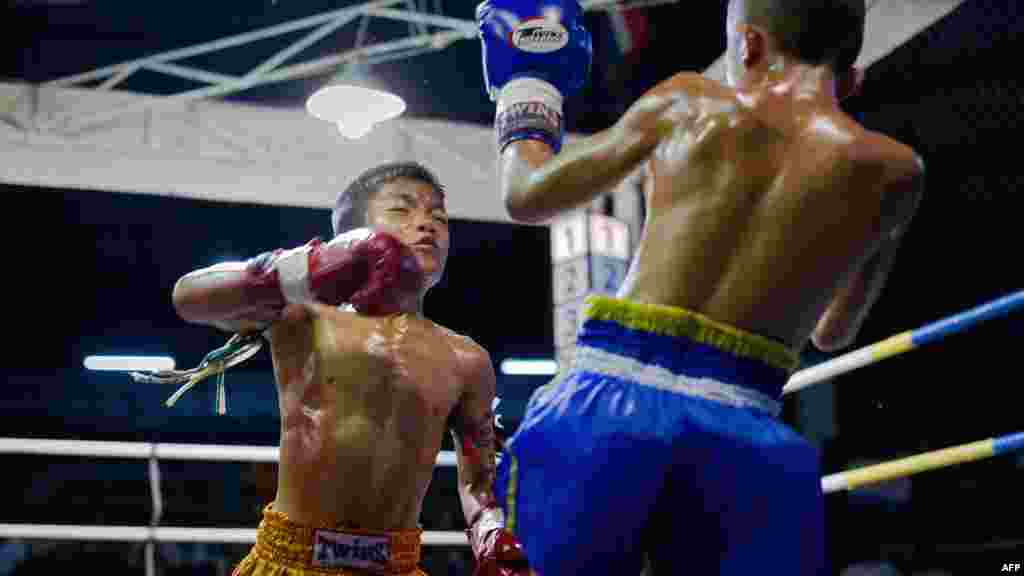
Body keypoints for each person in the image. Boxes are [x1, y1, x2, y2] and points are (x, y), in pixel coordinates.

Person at [476, 0, 925, 574]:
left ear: (748, 46)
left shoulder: (687, 103)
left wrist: (526, 83)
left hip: (607, 399)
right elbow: (833, 332)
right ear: (852, 72)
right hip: (746, 424)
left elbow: (526, 194)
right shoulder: (897, 174)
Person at [169, 162, 530, 576]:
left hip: (398, 567)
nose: (426, 225)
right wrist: (309, 266)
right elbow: (188, 296)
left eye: (439, 217)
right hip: (291, 561)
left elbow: (477, 485)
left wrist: (491, 539)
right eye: (403, 210)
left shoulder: (467, 359)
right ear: (353, 232)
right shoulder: (304, 319)